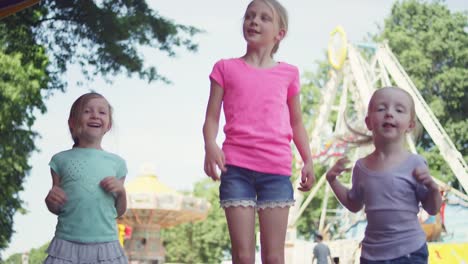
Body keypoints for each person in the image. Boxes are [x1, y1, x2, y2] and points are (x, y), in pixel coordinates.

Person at [202, 0, 315, 263]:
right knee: (242, 256)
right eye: (250, 16)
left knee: (274, 257)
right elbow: (211, 116)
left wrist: (308, 159)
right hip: (236, 169)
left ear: (279, 33)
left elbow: (297, 122)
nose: (254, 21)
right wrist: (210, 144)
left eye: (265, 18)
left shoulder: (289, 73)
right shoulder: (224, 68)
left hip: (276, 171)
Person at [326, 87, 442, 264]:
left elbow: (432, 208)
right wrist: (332, 180)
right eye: (381, 108)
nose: (389, 113)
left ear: (410, 125)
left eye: (399, 110)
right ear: (368, 122)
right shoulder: (361, 167)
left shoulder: (415, 163)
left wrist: (433, 188)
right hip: (372, 255)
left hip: (410, 251)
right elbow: (353, 203)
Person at [44, 92, 128, 264]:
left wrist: (122, 192)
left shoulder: (117, 164)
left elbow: (118, 212)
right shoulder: (60, 160)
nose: (95, 115)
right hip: (66, 245)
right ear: (72, 122)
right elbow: (56, 207)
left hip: (106, 245)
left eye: (102, 112)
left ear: (108, 125)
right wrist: (50, 200)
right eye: (87, 111)